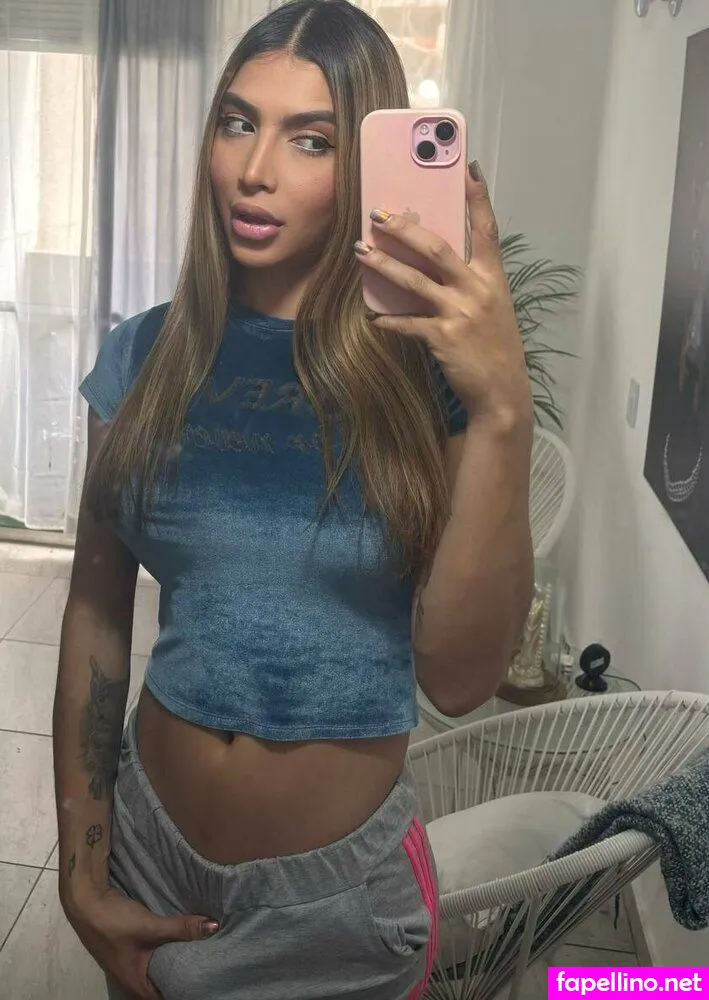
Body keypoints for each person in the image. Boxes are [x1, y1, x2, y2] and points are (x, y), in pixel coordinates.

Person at [52, 2, 534, 998]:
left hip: (336, 907)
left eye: (309, 139)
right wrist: (80, 868)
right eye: (238, 123)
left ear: (363, 168)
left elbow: (459, 677)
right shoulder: (142, 357)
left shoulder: (427, 378)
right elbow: (96, 612)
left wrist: (502, 414)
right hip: (147, 849)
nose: (253, 169)